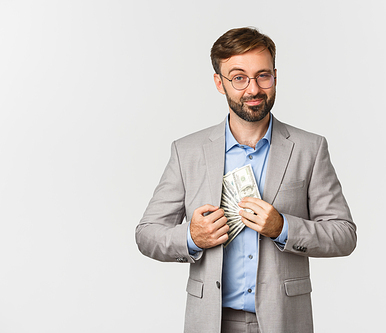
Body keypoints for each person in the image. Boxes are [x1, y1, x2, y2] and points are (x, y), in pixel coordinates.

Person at [135, 27, 357, 333]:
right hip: (211, 321)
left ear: (275, 77)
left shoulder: (310, 148)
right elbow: (147, 234)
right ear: (219, 82)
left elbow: (344, 235)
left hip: (284, 320)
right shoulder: (186, 152)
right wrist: (191, 238)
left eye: (262, 75)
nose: (253, 89)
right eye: (239, 78)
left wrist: (283, 228)